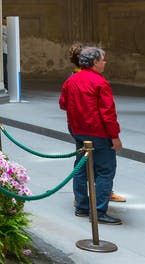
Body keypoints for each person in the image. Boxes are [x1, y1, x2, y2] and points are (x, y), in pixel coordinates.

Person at [59, 46, 123, 225]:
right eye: (103, 59)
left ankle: (81, 205)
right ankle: (99, 211)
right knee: (105, 171)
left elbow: (63, 104)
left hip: (77, 130)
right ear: (95, 62)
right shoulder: (100, 83)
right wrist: (115, 136)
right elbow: (108, 113)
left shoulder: (71, 80)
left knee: (81, 166)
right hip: (98, 132)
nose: (105, 62)